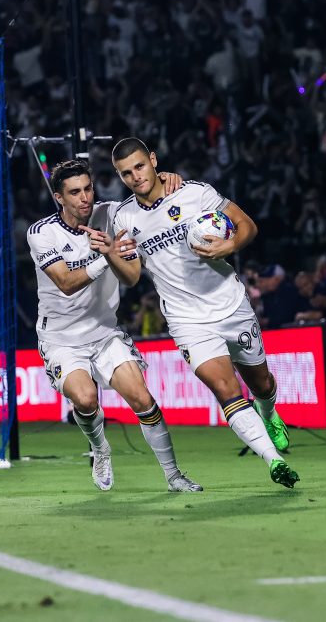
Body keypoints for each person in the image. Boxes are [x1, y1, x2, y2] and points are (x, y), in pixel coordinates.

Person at [102, 138, 299, 489]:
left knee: (262, 383)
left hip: (230, 303)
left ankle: (269, 414)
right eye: (125, 173)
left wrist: (231, 244)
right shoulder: (123, 216)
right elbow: (131, 277)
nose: (134, 177)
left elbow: (247, 225)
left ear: (153, 160)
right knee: (226, 390)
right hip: (187, 320)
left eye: (139, 167)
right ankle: (275, 461)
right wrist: (112, 255)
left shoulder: (194, 192)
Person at [27, 159, 201, 493]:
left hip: (105, 333)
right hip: (61, 340)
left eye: (88, 188)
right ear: (59, 197)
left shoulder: (112, 215)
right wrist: (106, 256)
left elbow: (145, 201)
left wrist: (164, 179)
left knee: (144, 400)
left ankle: (174, 475)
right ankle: (100, 449)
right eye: (74, 192)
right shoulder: (41, 233)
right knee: (86, 399)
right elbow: (65, 281)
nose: (84, 198)